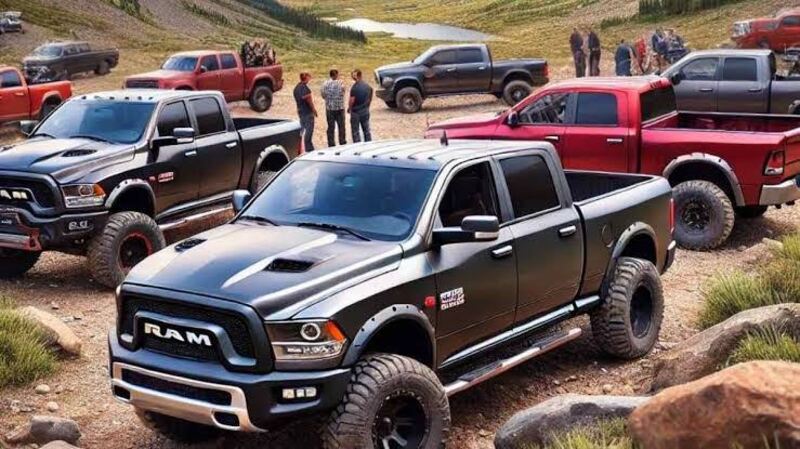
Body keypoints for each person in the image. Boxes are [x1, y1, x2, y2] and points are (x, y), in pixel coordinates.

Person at [321, 69, 346, 147]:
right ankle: (342, 142)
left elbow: (323, 95)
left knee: (331, 127)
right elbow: (343, 91)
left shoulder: (325, 84)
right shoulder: (341, 83)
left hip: (329, 108)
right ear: (336, 75)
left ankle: (331, 143)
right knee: (341, 126)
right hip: (340, 108)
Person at [293, 72, 317, 151]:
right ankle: (309, 148)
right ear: (306, 78)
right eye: (309, 77)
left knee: (302, 130)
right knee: (309, 131)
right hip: (307, 112)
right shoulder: (306, 89)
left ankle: (300, 148)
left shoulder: (296, 88)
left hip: (300, 111)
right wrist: (314, 110)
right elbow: (309, 101)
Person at [348, 69, 373, 143]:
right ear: (361, 75)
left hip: (356, 112)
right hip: (365, 110)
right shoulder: (368, 86)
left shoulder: (354, 88)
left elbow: (352, 100)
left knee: (355, 131)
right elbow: (370, 97)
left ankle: (357, 145)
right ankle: (369, 143)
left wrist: (349, 108)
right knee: (366, 129)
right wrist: (368, 105)